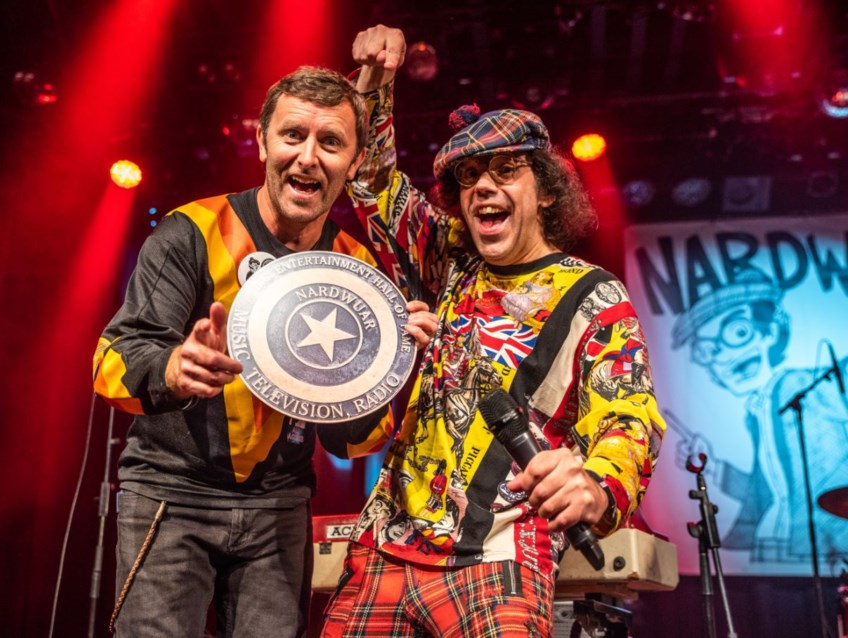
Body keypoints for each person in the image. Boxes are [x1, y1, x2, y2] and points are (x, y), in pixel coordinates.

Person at [320, 26, 667, 636]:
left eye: (506, 170)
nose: (483, 185)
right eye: (469, 176)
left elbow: (628, 417)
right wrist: (374, 85)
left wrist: (595, 485)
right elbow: (373, 183)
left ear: (546, 191)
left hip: (500, 558)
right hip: (384, 550)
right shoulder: (447, 258)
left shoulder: (594, 295)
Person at [92, 65, 437, 638]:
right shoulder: (192, 231)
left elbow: (351, 442)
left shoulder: (361, 272)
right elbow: (113, 359)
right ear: (262, 143)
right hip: (171, 495)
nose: (308, 157)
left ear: (352, 164)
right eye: (292, 135)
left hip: (279, 507)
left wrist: (385, 362)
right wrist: (174, 368)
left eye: (330, 143)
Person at [672, 266, 848, 563]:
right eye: (707, 350)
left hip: (826, 545)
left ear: (772, 331)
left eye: (738, 332)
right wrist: (713, 467)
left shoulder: (798, 385)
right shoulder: (759, 410)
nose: (723, 356)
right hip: (782, 544)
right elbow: (763, 492)